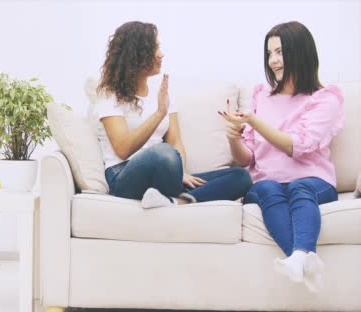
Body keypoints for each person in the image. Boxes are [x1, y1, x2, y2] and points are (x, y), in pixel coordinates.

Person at [218, 21, 344, 292]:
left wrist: (254, 120)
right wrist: (233, 138)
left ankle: (299, 258)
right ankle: (301, 259)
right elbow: (246, 159)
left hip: (314, 182)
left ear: (301, 52)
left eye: (280, 52)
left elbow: (299, 146)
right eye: (269, 53)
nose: (273, 61)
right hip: (268, 182)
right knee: (265, 187)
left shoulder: (325, 99)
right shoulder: (261, 96)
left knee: (300, 187)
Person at [93, 21, 252, 209]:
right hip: (124, 175)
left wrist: (180, 172)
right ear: (136, 54)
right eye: (154, 48)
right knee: (164, 153)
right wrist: (159, 113)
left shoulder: (161, 91)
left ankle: (176, 202)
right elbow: (122, 148)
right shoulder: (110, 94)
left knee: (240, 177)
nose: (161, 54)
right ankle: (177, 195)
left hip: (166, 174)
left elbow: (176, 142)